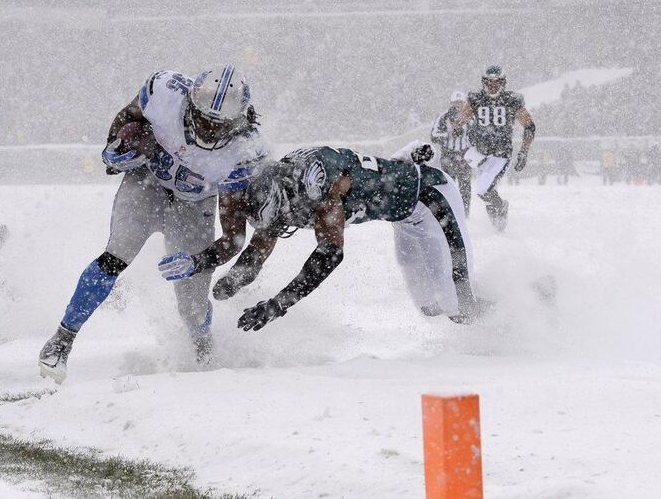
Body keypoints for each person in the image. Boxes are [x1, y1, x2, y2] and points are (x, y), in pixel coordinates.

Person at [38, 66, 266, 383]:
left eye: (219, 124)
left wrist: (198, 261)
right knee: (116, 255)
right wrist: (112, 150)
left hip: (193, 204)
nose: (209, 129)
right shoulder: (166, 92)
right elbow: (128, 116)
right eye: (203, 118)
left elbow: (234, 237)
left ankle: (203, 348)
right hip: (147, 183)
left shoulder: (243, 152)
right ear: (190, 101)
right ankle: (62, 339)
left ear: (237, 120)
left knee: (193, 305)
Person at [161, 143, 485, 330]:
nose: (276, 226)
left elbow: (330, 254)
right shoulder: (281, 189)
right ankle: (403, 157)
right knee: (429, 306)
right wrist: (226, 285)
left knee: (460, 305)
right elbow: (258, 250)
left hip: (427, 196)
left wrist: (277, 305)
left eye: (277, 218)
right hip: (400, 216)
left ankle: (513, 314)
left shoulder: (319, 183)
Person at [462, 65, 536, 231]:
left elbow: (529, 126)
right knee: (487, 188)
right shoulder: (475, 99)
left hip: (500, 153)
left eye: (497, 82)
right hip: (480, 153)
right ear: (484, 82)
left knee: (483, 189)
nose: (493, 86)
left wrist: (523, 153)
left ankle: (500, 210)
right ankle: (497, 219)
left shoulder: (512, 100)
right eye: (490, 82)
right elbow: (459, 122)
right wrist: (461, 121)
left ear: (503, 82)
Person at [430, 91, 474, 215]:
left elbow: (476, 137)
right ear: (451, 103)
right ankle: (450, 213)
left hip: (464, 157)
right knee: (448, 186)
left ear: (465, 103)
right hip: (448, 156)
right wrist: (449, 134)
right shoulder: (443, 118)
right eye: (455, 103)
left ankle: (465, 214)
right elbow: (433, 136)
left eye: (460, 103)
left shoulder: (470, 118)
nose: (458, 105)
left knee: (465, 187)